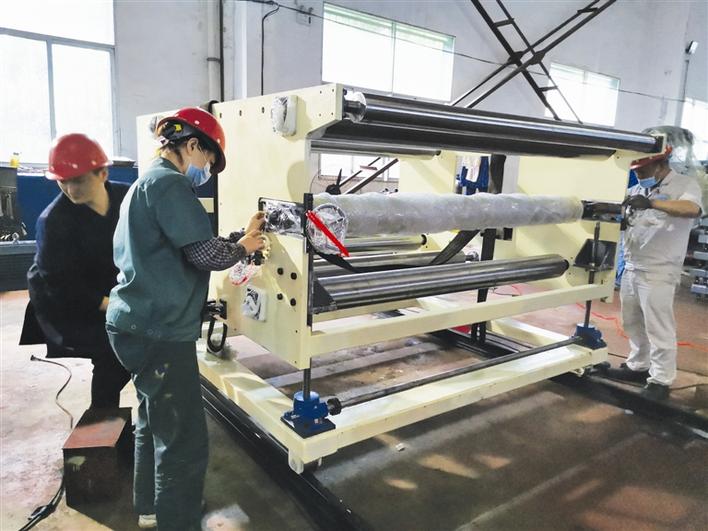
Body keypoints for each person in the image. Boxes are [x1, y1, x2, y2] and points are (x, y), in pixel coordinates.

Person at [105, 107, 265, 530]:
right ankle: (178, 520)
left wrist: (240, 237)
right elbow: (206, 255)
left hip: (131, 324)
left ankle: (150, 507)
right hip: (158, 332)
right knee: (184, 440)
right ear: (192, 145)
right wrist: (245, 248)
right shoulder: (171, 185)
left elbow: (187, 247)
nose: (207, 170)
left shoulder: (145, 184)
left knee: (153, 419)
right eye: (209, 159)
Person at [24, 133, 131, 409]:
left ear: (103, 174)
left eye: (79, 180)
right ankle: (102, 418)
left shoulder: (128, 199)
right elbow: (63, 286)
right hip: (71, 299)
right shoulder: (53, 222)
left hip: (110, 283)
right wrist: (116, 306)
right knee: (111, 353)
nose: (71, 190)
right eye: (63, 181)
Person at [607, 127, 703, 401]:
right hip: (633, 267)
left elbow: (691, 209)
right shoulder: (637, 189)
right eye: (635, 171)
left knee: (658, 326)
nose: (638, 176)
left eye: (642, 170)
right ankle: (639, 365)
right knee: (632, 322)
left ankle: (661, 379)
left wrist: (651, 204)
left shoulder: (684, 186)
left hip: (660, 270)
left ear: (660, 163)